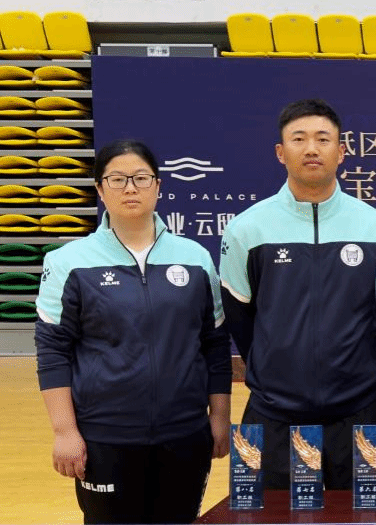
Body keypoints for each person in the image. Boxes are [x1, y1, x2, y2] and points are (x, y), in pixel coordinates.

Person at [36, 140, 231, 523]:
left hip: (185, 433)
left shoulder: (195, 258)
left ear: (158, 186)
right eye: (117, 179)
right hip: (105, 436)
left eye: (141, 178)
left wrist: (220, 417)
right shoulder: (67, 262)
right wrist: (64, 431)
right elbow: (53, 352)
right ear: (99, 188)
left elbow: (215, 344)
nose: (130, 188)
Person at [219, 99, 376, 489]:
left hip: (360, 414)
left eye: (323, 139)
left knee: (363, 517)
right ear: (280, 152)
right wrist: (277, 369)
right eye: (299, 139)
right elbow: (239, 318)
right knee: (266, 518)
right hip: (273, 416)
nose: (312, 149)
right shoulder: (246, 229)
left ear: (342, 151)